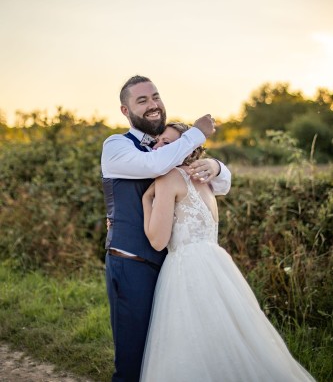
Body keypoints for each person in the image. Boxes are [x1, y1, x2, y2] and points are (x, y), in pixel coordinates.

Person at [140, 122, 316, 382]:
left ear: (186, 149)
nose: (158, 147)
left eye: (167, 143)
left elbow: (157, 241)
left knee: (190, 345)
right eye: (158, 141)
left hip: (186, 269)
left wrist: (146, 200)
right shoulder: (205, 181)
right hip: (216, 265)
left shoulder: (168, 179)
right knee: (226, 339)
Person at [101, 75, 231, 382]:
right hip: (132, 261)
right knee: (133, 359)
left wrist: (215, 166)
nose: (152, 105)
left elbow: (221, 185)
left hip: (172, 265)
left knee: (169, 356)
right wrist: (197, 133)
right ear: (125, 110)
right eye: (142, 100)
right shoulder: (117, 145)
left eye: (155, 97)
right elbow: (154, 166)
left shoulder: (171, 148)